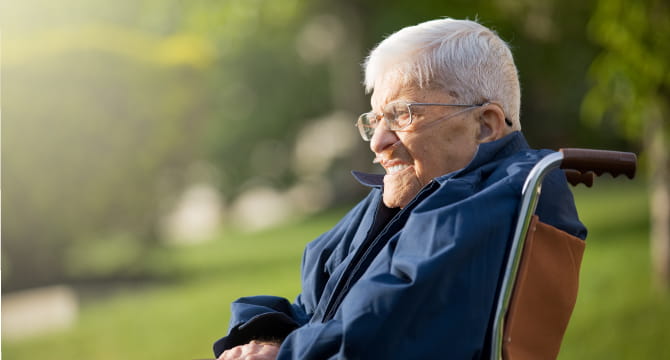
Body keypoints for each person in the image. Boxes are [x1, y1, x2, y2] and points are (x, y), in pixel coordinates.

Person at [213, 18, 586, 360]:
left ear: (485, 126)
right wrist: (265, 338)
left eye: (401, 115)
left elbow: (385, 334)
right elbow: (316, 306)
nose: (377, 143)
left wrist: (284, 356)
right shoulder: (410, 192)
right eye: (375, 120)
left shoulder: (501, 197)